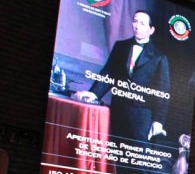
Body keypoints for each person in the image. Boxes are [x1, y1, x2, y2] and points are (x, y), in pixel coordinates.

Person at [72, 10, 171, 146]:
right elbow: (108, 73)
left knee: (137, 162)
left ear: (151, 29)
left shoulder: (160, 57)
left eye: (142, 23)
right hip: (118, 111)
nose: (137, 26)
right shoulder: (121, 46)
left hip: (142, 118)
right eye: (135, 21)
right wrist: (94, 93)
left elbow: (162, 91)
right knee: (114, 158)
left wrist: (158, 121)